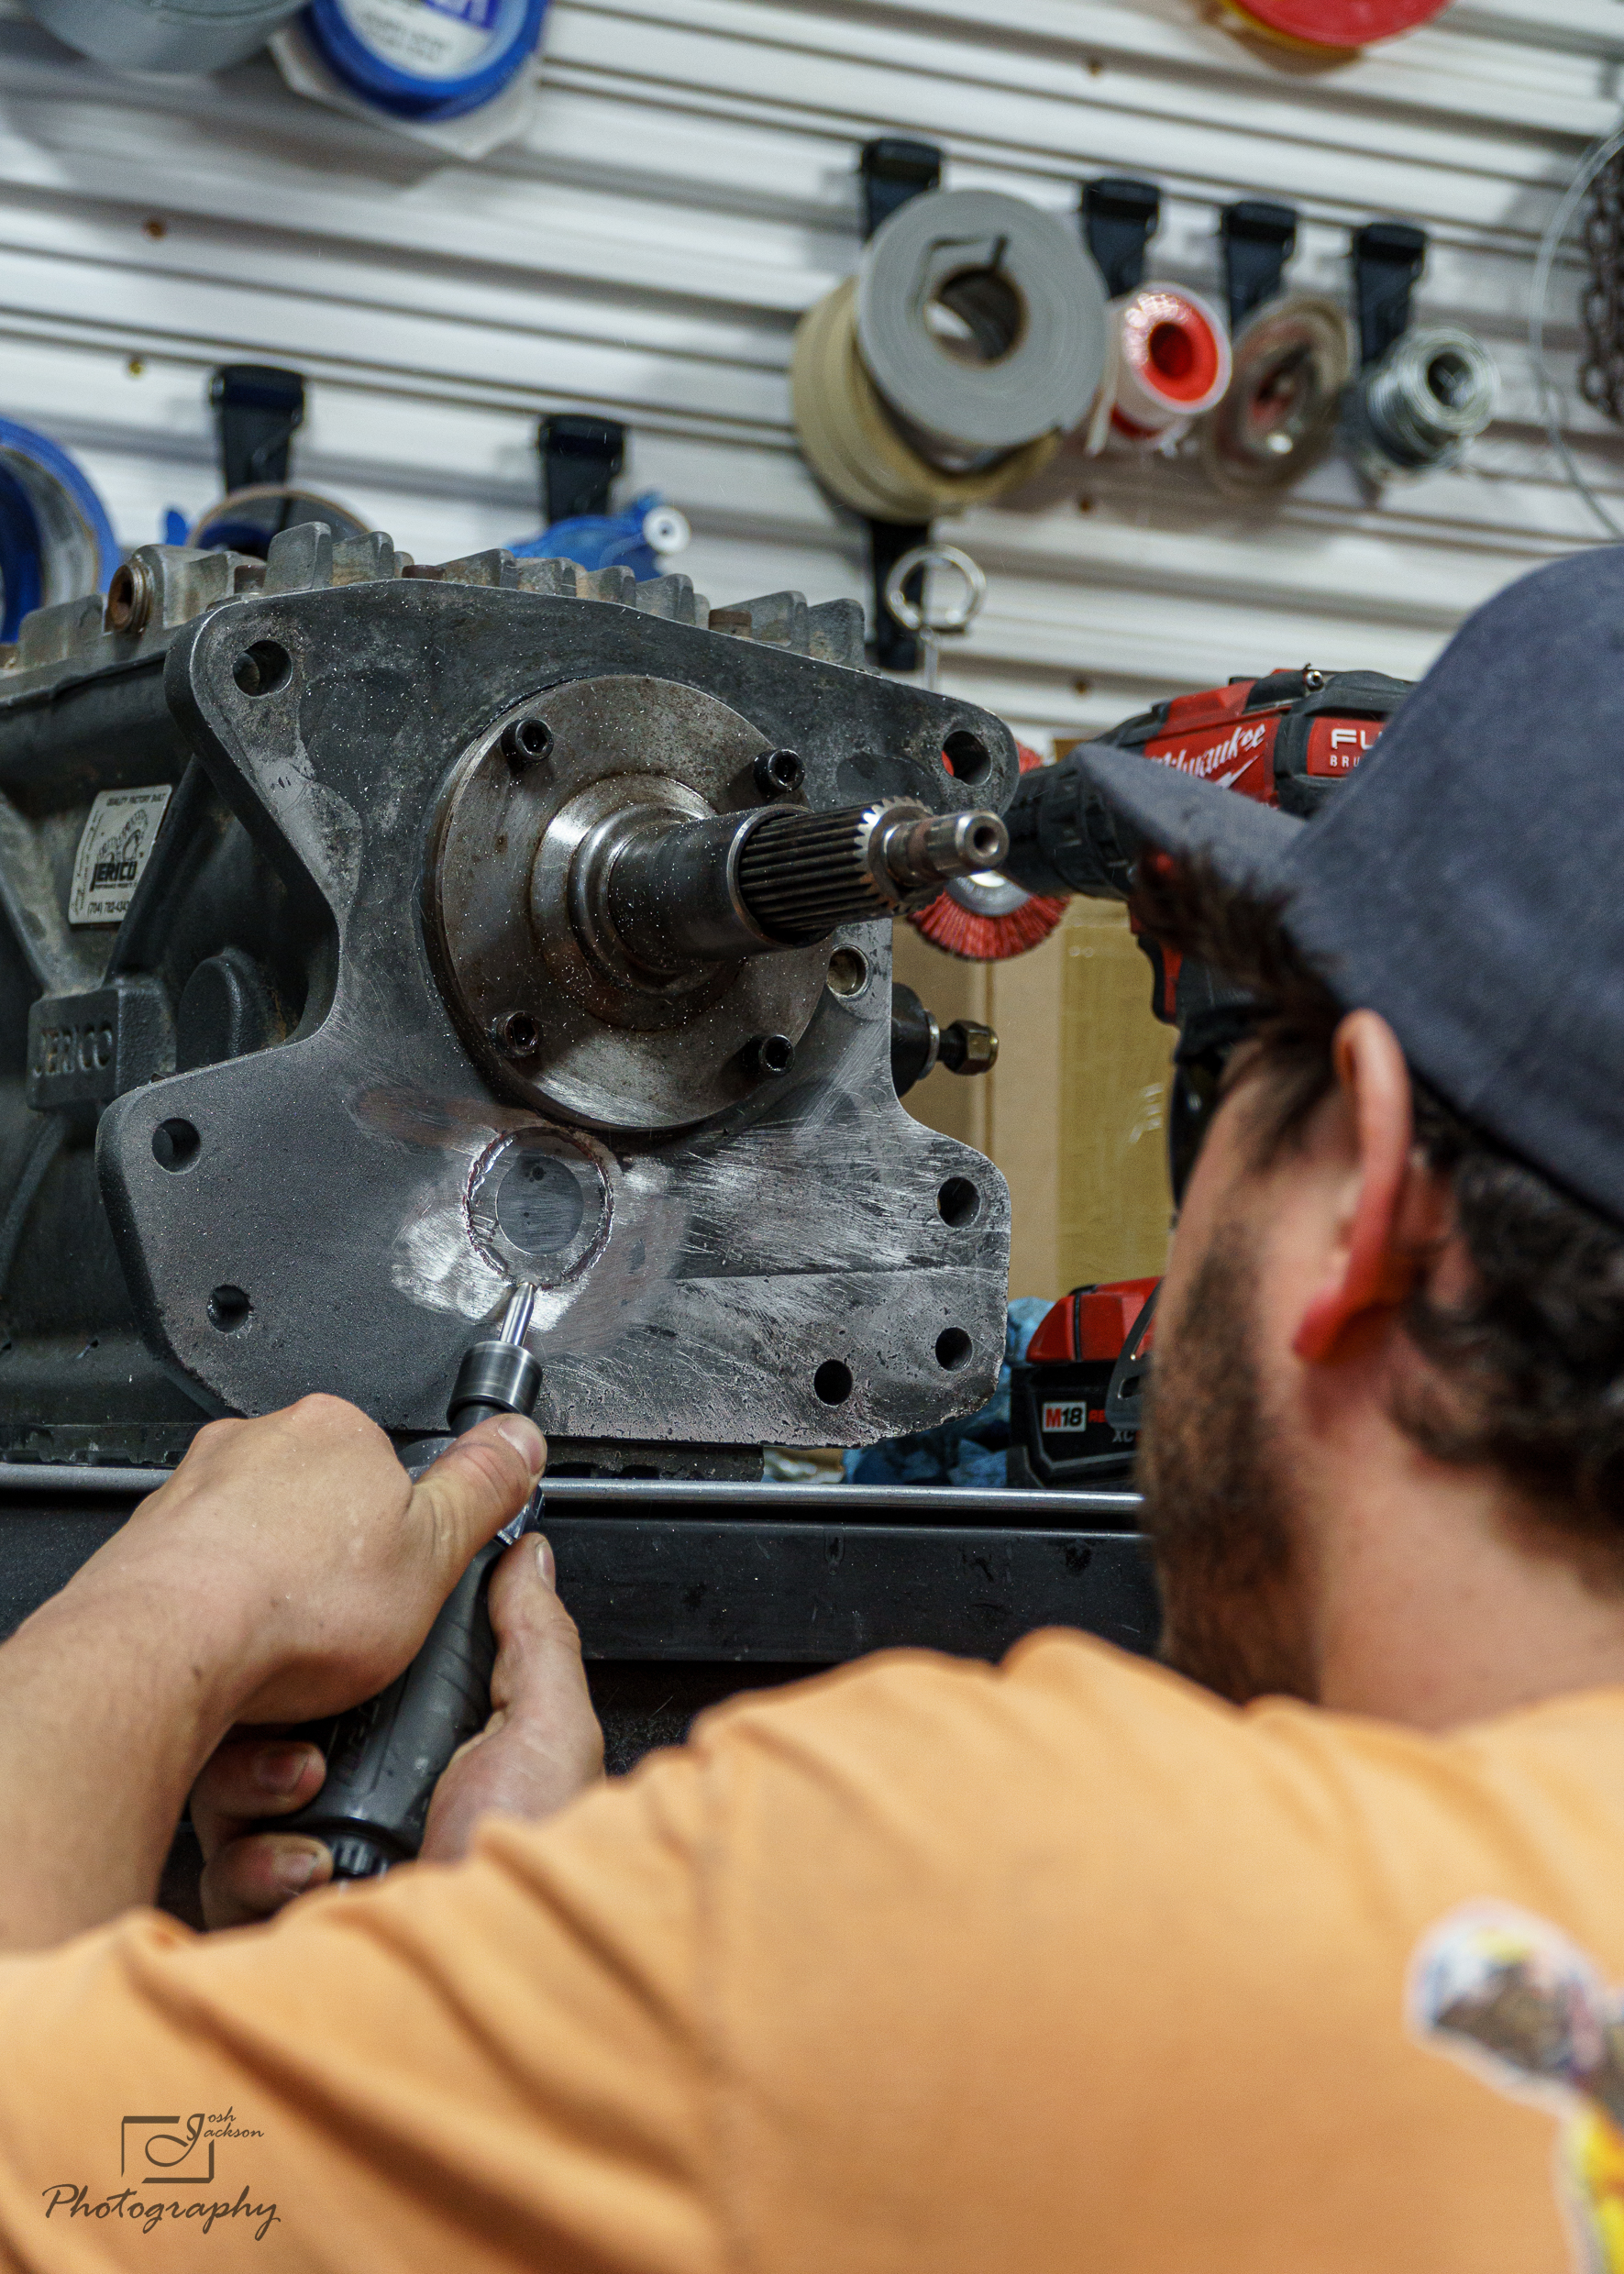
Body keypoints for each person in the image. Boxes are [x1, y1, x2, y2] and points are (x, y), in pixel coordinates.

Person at [2, 549, 1624, 2271]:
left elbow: (80, 2175)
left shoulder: (976, 1906)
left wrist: (172, 1611)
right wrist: (560, 2017)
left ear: (1373, 1192)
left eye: (1217, 1073)